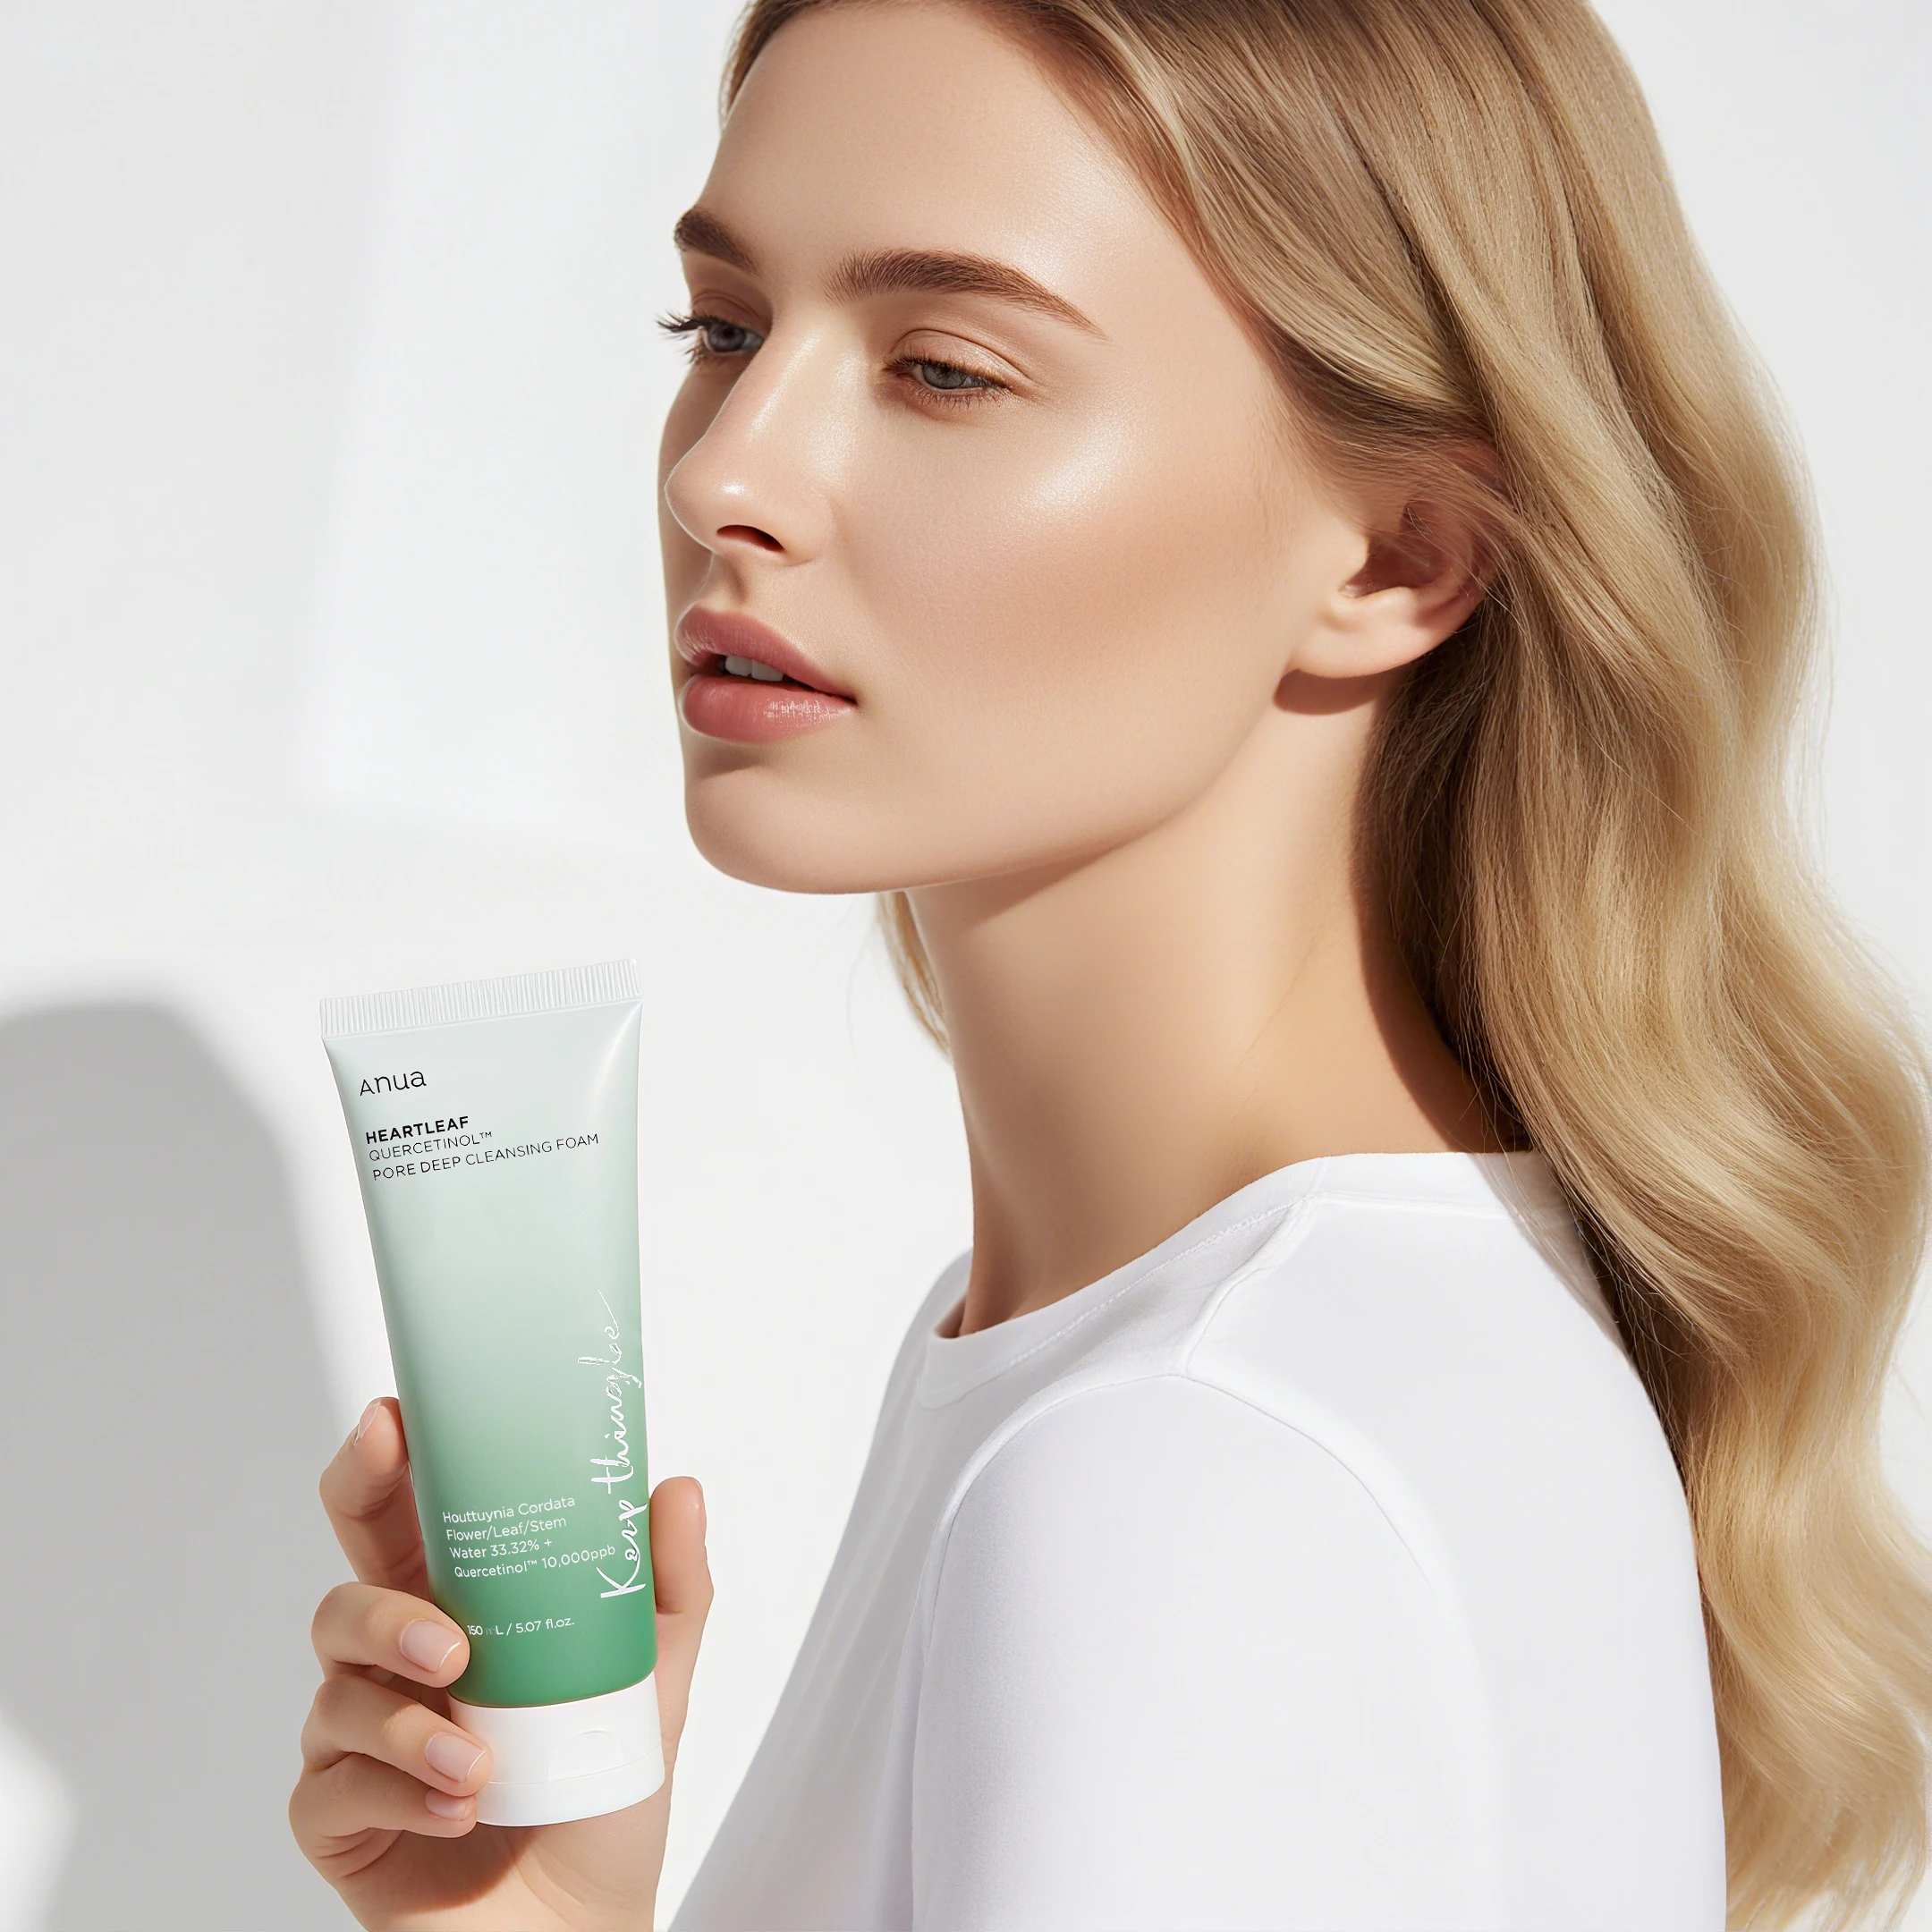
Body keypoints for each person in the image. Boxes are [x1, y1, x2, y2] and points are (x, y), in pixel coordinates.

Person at [290, 2, 1932, 1926]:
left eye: (945, 369)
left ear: (1402, 557)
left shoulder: (1192, 1453)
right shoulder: (1209, 1357)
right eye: (722, 329)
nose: (725, 473)